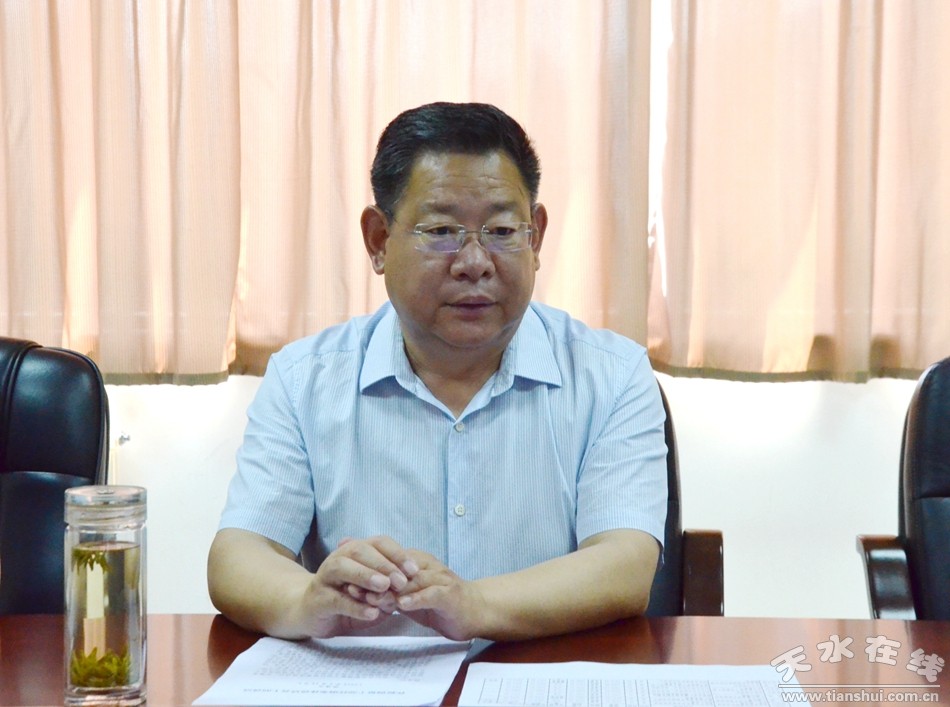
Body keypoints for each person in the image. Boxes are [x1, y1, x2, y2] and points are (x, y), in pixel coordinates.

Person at [207, 102, 668, 642]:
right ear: (379, 240)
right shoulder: (304, 380)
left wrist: (473, 606)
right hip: (368, 680)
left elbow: (625, 564)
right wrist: (306, 601)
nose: (474, 262)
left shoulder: (612, 376)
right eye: (442, 230)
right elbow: (240, 554)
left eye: (501, 230)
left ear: (536, 238)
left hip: (539, 675)